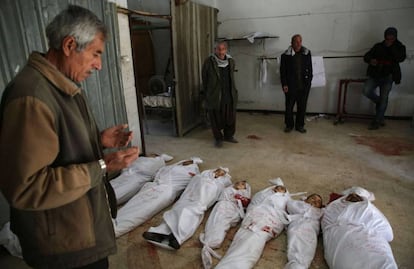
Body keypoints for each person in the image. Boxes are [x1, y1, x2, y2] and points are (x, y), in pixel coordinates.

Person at [0, 5, 139, 269]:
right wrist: (104, 165)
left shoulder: (62, 86)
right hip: (62, 245)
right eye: (95, 54)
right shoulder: (31, 97)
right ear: (69, 45)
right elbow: (27, 187)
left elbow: (53, 147)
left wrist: (99, 141)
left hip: (78, 231)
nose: (99, 65)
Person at [143, 167, 232, 250]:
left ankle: (176, 238)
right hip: (188, 197)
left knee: (189, 212)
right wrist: (201, 180)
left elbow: (215, 194)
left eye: (222, 173)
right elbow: (194, 182)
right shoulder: (202, 176)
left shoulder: (219, 184)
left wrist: (211, 185)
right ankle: (159, 233)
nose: (219, 173)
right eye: (218, 171)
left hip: (200, 202)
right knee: (177, 210)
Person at [113, 157, 202, 237]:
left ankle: (115, 229)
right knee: (133, 204)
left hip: (163, 191)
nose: (186, 162)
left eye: (189, 162)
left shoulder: (192, 171)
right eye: (185, 161)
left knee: (140, 210)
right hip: (154, 186)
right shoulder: (173, 167)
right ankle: (111, 223)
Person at [215, 178, 290, 269]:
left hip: (268, 222)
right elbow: (253, 203)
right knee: (241, 239)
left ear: (285, 193)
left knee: (254, 242)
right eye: (277, 188)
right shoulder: (263, 195)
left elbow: (283, 214)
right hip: (253, 218)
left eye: (282, 189)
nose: (278, 190)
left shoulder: (286, 200)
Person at [322, 187, 397, 269]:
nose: (354, 196)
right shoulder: (336, 206)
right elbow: (327, 222)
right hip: (343, 236)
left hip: (370, 239)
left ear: (363, 199)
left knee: (381, 262)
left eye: (357, 196)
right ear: (345, 197)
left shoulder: (369, 210)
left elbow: (387, 232)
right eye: (351, 195)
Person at [199, 180, 251, 269]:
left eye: (243, 184)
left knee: (223, 223)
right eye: (238, 182)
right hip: (221, 206)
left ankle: (213, 241)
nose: (239, 184)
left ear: (245, 188)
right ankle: (210, 240)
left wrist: (239, 198)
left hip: (232, 209)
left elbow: (245, 204)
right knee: (215, 221)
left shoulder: (244, 195)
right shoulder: (227, 190)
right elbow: (222, 196)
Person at [363, 27, 406, 130]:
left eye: (392, 36)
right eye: (388, 35)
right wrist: (371, 60)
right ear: (385, 35)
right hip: (375, 74)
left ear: (395, 36)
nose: (389, 38)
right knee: (366, 91)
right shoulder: (378, 46)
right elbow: (366, 56)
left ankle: (377, 121)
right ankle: (379, 103)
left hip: (389, 76)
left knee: (384, 97)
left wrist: (391, 47)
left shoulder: (400, 47)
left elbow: (400, 58)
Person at [202, 41, 239, 148]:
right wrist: (208, 93)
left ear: (226, 50)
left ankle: (228, 135)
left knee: (230, 116)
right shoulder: (209, 62)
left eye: (223, 49)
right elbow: (205, 78)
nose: (221, 52)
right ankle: (218, 138)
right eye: (218, 49)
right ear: (215, 50)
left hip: (228, 93)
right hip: (215, 94)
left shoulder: (231, 61)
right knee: (215, 117)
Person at [280, 34, 313, 133]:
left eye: (300, 41)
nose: (298, 44)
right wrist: (284, 84)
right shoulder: (285, 56)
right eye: (296, 42)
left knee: (302, 107)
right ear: (291, 43)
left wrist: (309, 82)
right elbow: (283, 72)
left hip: (303, 86)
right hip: (290, 86)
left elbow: (310, 69)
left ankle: (300, 125)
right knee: (289, 107)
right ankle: (289, 125)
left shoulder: (307, 53)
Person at [284, 193, 323, 269]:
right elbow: (290, 206)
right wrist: (306, 206)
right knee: (295, 245)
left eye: (319, 201)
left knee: (307, 249)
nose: (315, 201)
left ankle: (299, 266)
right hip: (297, 226)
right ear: (306, 200)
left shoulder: (320, 211)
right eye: (313, 198)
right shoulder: (298, 204)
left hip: (310, 230)